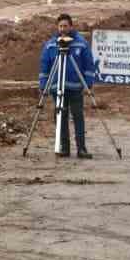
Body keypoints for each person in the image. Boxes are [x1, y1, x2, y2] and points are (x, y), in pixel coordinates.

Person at [38, 13, 100, 159]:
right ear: (57, 27)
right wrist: (43, 85)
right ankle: (64, 148)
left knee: (78, 117)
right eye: (60, 26)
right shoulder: (51, 45)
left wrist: (88, 84)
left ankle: (81, 149)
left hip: (75, 88)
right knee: (61, 117)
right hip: (56, 88)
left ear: (71, 26)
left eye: (65, 26)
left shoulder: (80, 43)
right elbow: (45, 66)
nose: (63, 29)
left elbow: (89, 65)